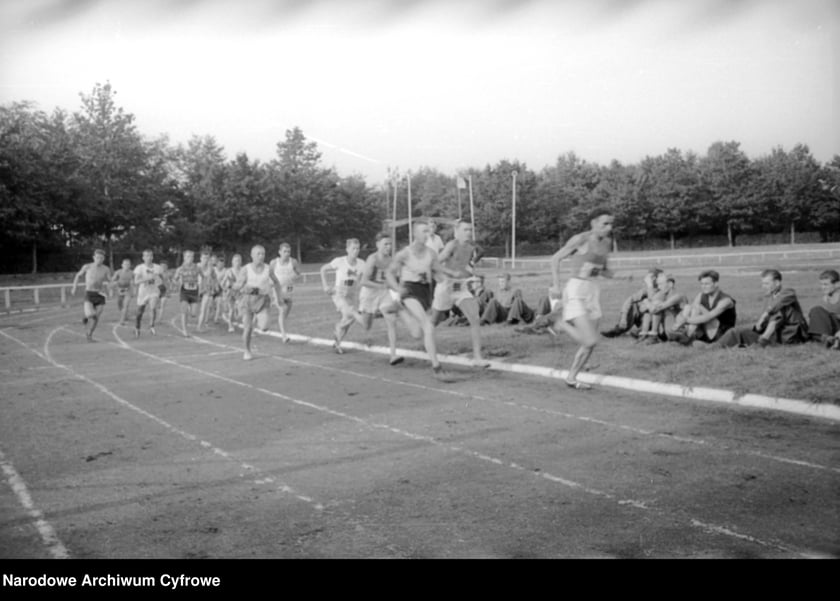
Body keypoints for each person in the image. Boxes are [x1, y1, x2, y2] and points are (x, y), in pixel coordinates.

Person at [549, 208, 617, 389]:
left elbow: (604, 270)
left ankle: (572, 378)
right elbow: (555, 259)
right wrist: (556, 285)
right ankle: (560, 323)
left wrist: (615, 274)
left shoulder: (607, 242)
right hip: (575, 291)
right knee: (590, 340)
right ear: (594, 223)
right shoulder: (580, 239)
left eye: (611, 224)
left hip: (592, 291)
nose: (609, 228)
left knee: (590, 344)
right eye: (605, 224)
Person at [386, 219, 459, 380]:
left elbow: (437, 271)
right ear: (414, 233)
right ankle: (437, 369)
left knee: (417, 333)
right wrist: (397, 289)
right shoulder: (404, 253)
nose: (428, 234)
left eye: (428, 231)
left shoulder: (431, 253)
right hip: (409, 290)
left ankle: (400, 310)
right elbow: (389, 273)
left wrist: (451, 276)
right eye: (424, 231)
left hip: (425, 292)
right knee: (428, 326)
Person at [431, 219, 490, 367]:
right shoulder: (452, 245)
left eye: (470, 230)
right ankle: (425, 337)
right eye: (465, 230)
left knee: (475, 318)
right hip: (446, 286)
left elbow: (480, 253)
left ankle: (478, 358)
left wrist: (470, 267)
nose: (469, 232)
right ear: (456, 232)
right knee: (435, 321)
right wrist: (451, 272)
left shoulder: (471, 247)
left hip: (460, 286)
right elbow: (435, 263)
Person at [714, 269, 808, 349]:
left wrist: (765, 314)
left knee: (780, 307)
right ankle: (715, 347)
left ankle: (763, 341)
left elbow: (777, 306)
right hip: (773, 337)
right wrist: (758, 326)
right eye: (763, 283)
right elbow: (761, 325)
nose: (763, 286)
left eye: (766, 283)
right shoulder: (768, 298)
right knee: (736, 331)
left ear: (777, 283)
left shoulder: (788, 293)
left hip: (791, 337)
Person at [232, 245, 282, 360]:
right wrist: (240, 288)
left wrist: (278, 298)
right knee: (248, 328)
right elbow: (238, 285)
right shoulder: (246, 269)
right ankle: (247, 351)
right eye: (258, 254)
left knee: (264, 327)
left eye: (263, 254)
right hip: (247, 301)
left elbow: (276, 282)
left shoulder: (268, 269)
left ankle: (257, 320)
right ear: (252, 255)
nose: (261, 256)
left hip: (262, 301)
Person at [359, 232, 402, 365]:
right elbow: (364, 281)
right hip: (369, 293)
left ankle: (393, 355)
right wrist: (382, 285)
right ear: (378, 245)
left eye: (390, 244)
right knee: (367, 324)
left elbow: (394, 279)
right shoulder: (372, 259)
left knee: (392, 320)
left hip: (384, 294)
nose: (388, 247)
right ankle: (360, 323)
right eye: (385, 244)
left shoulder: (391, 260)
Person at [666, 270, 737, 347]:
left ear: (716, 283)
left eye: (706, 284)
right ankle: (679, 332)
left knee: (698, 307)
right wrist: (682, 318)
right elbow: (691, 310)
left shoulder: (726, 300)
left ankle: (686, 336)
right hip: (706, 331)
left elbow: (708, 317)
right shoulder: (701, 295)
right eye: (702, 284)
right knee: (688, 307)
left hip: (721, 334)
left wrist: (685, 320)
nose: (703, 286)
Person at [320, 238, 366, 354]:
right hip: (339, 293)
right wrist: (325, 286)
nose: (356, 251)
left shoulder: (362, 264)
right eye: (353, 248)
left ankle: (337, 342)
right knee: (350, 313)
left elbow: (363, 280)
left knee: (349, 319)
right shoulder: (339, 261)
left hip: (351, 294)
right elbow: (323, 269)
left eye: (358, 248)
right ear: (347, 249)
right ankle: (338, 327)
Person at [600, 268, 661, 338]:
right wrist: (623, 318)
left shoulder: (662, 289)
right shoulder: (647, 289)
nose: (649, 280)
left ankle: (641, 331)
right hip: (644, 317)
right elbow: (630, 300)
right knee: (634, 305)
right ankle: (619, 329)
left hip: (656, 319)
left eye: (651, 277)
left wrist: (650, 286)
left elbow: (653, 302)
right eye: (649, 277)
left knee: (649, 310)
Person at [71, 249, 112, 342]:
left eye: (101, 258)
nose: (99, 260)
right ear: (94, 257)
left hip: (100, 294)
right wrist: (74, 287)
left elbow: (110, 280)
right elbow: (78, 276)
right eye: (97, 257)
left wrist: (112, 286)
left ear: (104, 259)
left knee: (96, 317)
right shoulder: (87, 266)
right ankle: (86, 317)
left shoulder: (106, 269)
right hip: (89, 293)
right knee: (91, 314)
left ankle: (89, 334)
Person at [638, 273, 689, 343]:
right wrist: (648, 304)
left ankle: (653, 335)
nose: (659, 287)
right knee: (652, 307)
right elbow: (641, 309)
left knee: (656, 306)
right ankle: (644, 334)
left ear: (670, 284)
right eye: (658, 284)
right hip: (667, 329)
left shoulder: (678, 296)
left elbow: (655, 309)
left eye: (661, 284)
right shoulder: (663, 294)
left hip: (678, 330)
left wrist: (647, 303)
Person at [269, 242, 301, 342]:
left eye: (288, 251)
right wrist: (272, 284)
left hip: (289, 289)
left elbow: (298, 274)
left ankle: (279, 322)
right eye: (285, 251)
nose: (287, 253)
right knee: (283, 309)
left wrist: (295, 276)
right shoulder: (274, 262)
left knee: (288, 307)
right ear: (279, 252)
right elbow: (269, 275)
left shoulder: (293, 262)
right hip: (277, 289)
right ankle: (284, 336)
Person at [172, 249, 203, 338]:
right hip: (184, 292)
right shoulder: (180, 269)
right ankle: (185, 330)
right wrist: (176, 283)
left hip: (194, 292)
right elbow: (174, 279)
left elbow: (203, 277)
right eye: (188, 256)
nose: (190, 258)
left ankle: (190, 308)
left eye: (192, 256)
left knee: (193, 314)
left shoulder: (197, 268)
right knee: (184, 311)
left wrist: (202, 286)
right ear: (184, 258)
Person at [132, 249, 163, 337]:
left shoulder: (158, 268)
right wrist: (147, 278)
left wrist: (161, 284)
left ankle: (151, 326)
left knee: (153, 307)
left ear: (152, 257)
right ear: (143, 257)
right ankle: (137, 327)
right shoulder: (139, 268)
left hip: (154, 291)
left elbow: (162, 279)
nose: (149, 257)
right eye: (147, 256)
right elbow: (136, 281)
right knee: (139, 312)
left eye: (150, 255)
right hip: (143, 292)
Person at [807, 269, 840, 349]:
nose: (823, 287)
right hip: (830, 330)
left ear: (837, 284)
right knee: (816, 310)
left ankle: (832, 341)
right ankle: (829, 340)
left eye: (826, 284)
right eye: (821, 284)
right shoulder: (824, 299)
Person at [220, 253, 244, 333]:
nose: (237, 262)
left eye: (239, 261)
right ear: (232, 262)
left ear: (241, 262)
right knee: (231, 310)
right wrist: (224, 289)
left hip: (239, 293)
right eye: (236, 261)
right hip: (230, 292)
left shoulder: (243, 270)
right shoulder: (229, 271)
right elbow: (222, 282)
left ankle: (236, 314)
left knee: (241, 311)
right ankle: (230, 325)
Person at [196, 249, 218, 331]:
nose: (206, 260)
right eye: (204, 258)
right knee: (193, 310)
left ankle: (199, 326)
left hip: (206, 290)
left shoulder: (211, 268)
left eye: (207, 258)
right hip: (195, 289)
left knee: (204, 308)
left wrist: (215, 286)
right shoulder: (196, 266)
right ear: (200, 258)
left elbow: (215, 278)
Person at [110, 258, 134, 326]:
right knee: (120, 305)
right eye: (125, 264)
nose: (127, 266)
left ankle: (122, 320)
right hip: (119, 290)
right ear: (122, 265)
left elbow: (133, 282)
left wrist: (133, 291)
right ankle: (125, 315)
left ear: (130, 265)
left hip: (128, 290)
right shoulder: (118, 272)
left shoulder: (132, 273)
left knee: (125, 305)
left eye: (128, 264)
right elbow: (112, 280)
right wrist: (114, 285)